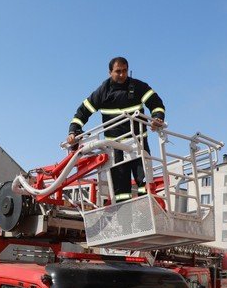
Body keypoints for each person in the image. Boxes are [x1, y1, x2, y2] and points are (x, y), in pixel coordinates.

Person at [67, 56, 166, 202]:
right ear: (110, 72)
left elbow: (156, 103)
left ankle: (144, 218)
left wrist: (157, 117)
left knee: (145, 184)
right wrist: (73, 130)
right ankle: (124, 221)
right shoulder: (102, 92)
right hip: (115, 148)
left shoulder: (138, 87)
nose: (121, 75)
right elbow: (82, 111)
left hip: (138, 144)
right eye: (118, 71)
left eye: (124, 71)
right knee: (120, 191)